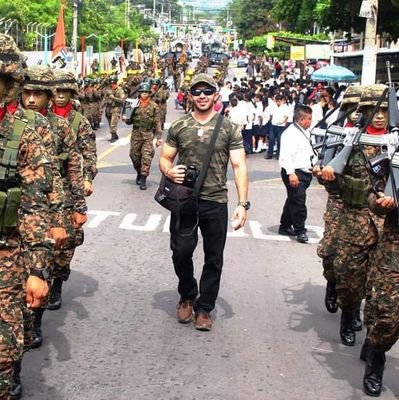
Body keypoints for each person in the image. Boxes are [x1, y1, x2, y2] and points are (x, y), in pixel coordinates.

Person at [159, 73, 249, 331]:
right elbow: (165, 158)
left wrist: (243, 204)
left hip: (215, 201)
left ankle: (204, 307)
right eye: (197, 92)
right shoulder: (179, 126)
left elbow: (239, 165)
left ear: (216, 96)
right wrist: (168, 170)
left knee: (214, 258)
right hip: (184, 200)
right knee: (180, 252)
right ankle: (187, 294)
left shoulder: (229, 128)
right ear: (189, 95)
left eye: (207, 91)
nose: (201, 96)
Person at [0, 34, 53, 400]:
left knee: (4, 342)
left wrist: (36, 270)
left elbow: (35, 204)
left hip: (7, 251)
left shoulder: (25, 135)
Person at [50, 69, 97, 309]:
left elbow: (88, 153)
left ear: (71, 93)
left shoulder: (79, 121)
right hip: (42, 184)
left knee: (68, 238)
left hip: (69, 185)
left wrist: (87, 178)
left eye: (64, 91)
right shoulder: (37, 117)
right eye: (56, 91)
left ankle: (57, 279)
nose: (59, 96)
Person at [278, 105, 314, 243]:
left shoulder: (305, 132)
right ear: (301, 120)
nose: (311, 121)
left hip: (305, 171)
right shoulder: (290, 134)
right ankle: (300, 230)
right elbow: (286, 156)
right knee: (299, 202)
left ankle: (285, 225)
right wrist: (291, 173)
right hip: (294, 172)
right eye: (309, 119)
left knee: (293, 199)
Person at [129, 82, 162, 190]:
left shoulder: (154, 106)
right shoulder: (134, 104)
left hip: (148, 135)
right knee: (134, 156)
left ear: (149, 93)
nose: (144, 94)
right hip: (136, 134)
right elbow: (128, 120)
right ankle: (139, 171)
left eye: (146, 92)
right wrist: (127, 116)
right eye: (142, 92)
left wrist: (159, 137)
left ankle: (143, 178)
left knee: (146, 157)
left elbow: (158, 122)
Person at [104, 76, 126, 143]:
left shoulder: (120, 90)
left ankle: (113, 136)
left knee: (113, 122)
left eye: (113, 83)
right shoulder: (108, 89)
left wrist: (114, 98)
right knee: (109, 122)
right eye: (111, 83)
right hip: (109, 108)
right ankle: (115, 134)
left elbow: (122, 100)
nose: (112, 85)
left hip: (116, 108)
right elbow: (105, 98)